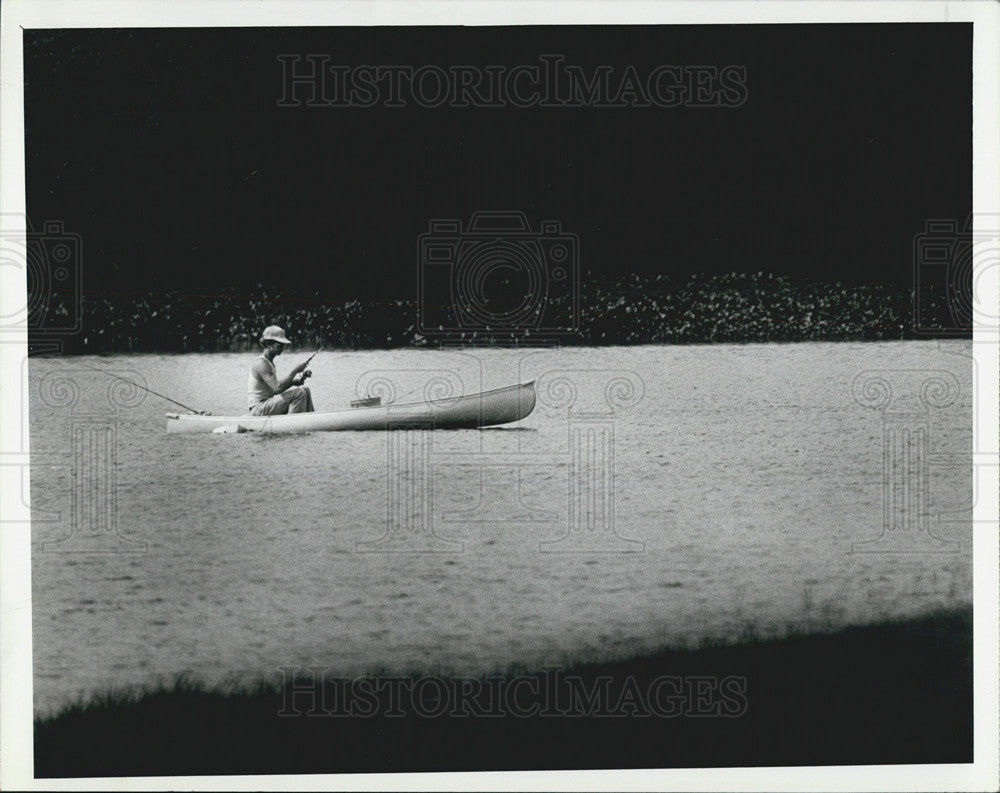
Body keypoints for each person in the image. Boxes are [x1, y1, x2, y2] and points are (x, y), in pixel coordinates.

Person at [247, 325, 315, 415]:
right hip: (258, 408)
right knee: (299, 393)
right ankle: (293, 424)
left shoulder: (269, 362)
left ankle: (310, 418)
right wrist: (295, 371)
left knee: (305, 390)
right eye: (280, 345)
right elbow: (277, 388)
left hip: (266, 404)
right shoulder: (261, 364)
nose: (283, 348)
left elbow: (274, 391)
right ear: (268, 344)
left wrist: (293, 382)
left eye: (284, 345)